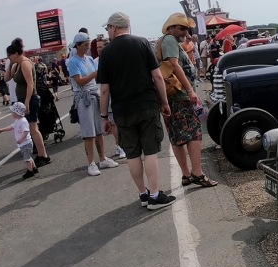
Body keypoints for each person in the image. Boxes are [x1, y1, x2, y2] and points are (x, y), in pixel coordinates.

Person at [96, 11, 175, 210]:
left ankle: (143, 194)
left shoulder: (105, 53)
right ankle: (155, 195)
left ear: (114, 28)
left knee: (132, 154)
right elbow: (157, 76)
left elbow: (104, 89)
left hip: (122, 109)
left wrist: (104, 116)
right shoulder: (141, 43)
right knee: (150, 151)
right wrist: (164, 102)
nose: (108, 32)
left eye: (108, 28)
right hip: (146, 104)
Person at [157, 12, 217, 190]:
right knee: (193, 133)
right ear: (171, 28)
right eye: (181, 27)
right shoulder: (169, 40)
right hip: (180, 95)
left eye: (187, 28)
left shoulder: (168, 41)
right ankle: (197, 173)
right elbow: (174, 65)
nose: (185, 30)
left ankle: (186, 174)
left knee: (177, 135)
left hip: (172, 96)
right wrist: (190, 90)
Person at [68, 32, 119, 176]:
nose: (88, 47)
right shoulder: (73, 61)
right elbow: (79, 81)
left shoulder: (89, 58)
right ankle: (91, 162)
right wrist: (96, 73)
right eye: (85, 45)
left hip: (94, 94)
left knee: (98, 130)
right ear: (77, 45)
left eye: (88, 44)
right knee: (88, 132)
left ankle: (102, 158)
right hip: (83, 97)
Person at [5, 39, 52, 166]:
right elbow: (6, 78)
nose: (8, 58)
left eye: (9, 55)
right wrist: (10, 64)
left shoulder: (25, 63)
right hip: (23, 98)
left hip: (29, 98)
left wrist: (26, 103)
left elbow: (31, 84)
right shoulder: (17, 64)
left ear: (15, 53)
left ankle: (43, 155)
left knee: (32, 128)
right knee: (31, 128)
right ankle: (41, 155)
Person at [0, 102, 37, 179]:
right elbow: (12, 127)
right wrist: (2, 130)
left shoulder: (23, 121)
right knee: (28, 156)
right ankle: (34, 168)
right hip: (24, 143)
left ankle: (30, 171)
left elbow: (26, 131)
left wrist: (21, 139)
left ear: (17, 113)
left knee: (27, 159)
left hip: (26, 143)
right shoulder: (18, 121)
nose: (12, 113)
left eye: (13, 112)